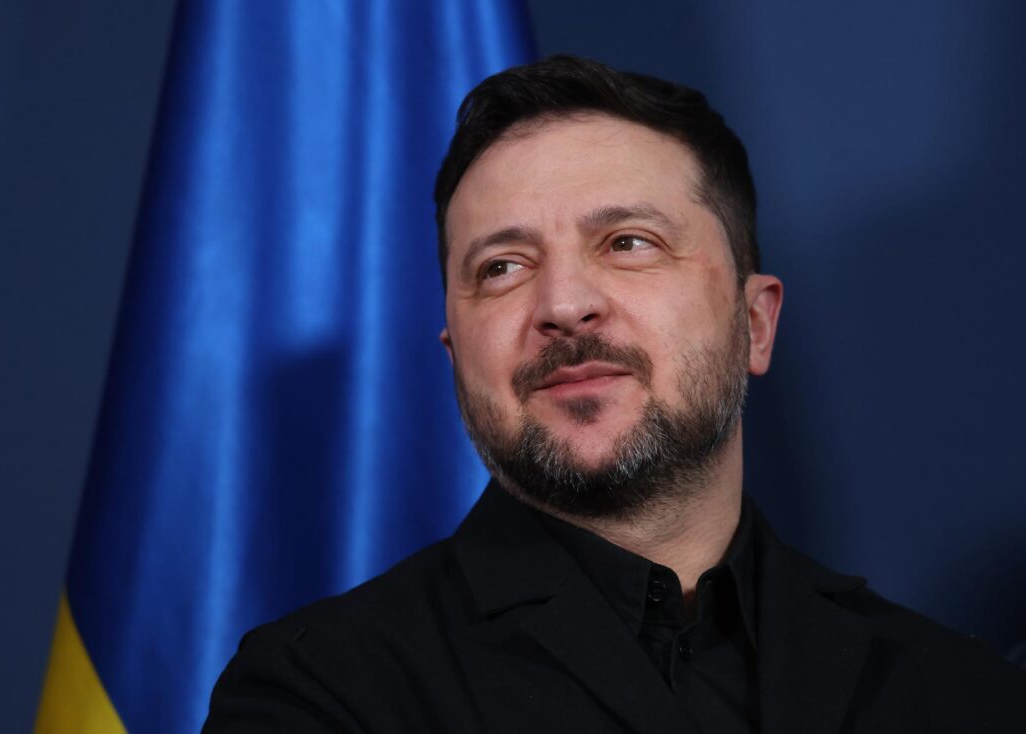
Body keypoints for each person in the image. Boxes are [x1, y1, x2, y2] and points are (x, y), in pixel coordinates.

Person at [203, 55, 1026, 732]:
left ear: (755, 324)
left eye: (628, 242)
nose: (563, 306)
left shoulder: (961, 694)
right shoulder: (319, 693)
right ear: (455, 354)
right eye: (502, 267)